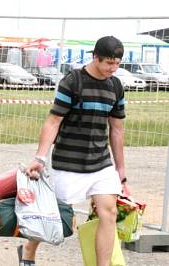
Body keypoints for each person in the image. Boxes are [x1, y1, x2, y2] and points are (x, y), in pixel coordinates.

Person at [21, 36, 128, 266]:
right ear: (95, 57)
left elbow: (117, 129)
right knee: (55, 217)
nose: (113, 68)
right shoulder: (73, 81)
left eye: (117, 63)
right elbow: (53, 121)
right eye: (109, 63)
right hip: (68, 162)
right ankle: (28, 250)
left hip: (101, 162)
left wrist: (120, 169)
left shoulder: (116, 86)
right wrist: (40, 157)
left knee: (108, 212)